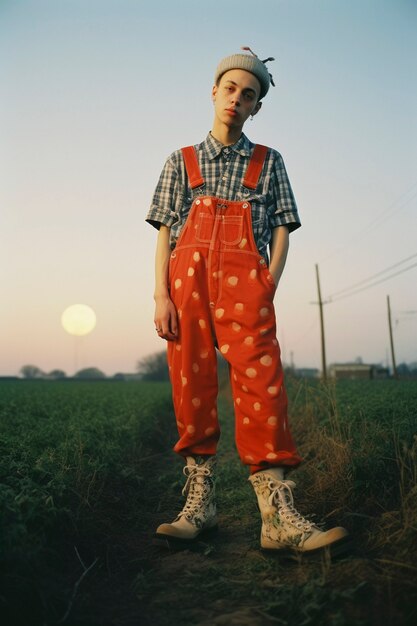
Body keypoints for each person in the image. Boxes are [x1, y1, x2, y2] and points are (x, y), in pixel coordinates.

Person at [146, 48, 348, 554]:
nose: (237, 99)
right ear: (214, 92)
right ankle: (201, 504)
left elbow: (283, 230)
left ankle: (277, 515)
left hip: (247, 285)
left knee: (263, 385)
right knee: (191, 381)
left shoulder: (269, 162)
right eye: (230, 88)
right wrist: (160, 295)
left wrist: (268, 282)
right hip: (185, 284)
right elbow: (166, 234)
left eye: (249, 94)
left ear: (257, 107)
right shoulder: (181, 161)